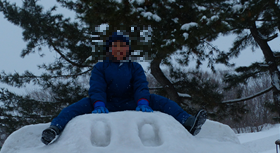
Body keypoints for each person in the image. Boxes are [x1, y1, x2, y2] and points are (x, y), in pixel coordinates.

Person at [41, 32, 207, 145]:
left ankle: (188, 122)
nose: (119, 49)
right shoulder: (101, 67)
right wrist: (98, 103)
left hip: (133, 102)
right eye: (116, 46)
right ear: (110, 49)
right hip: (106, 104)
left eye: (123, 46)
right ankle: (55, 128)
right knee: (77, 107)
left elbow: (141, 85)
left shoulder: (134, 67)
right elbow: (97, 87)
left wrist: (142, 101)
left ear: (127, 49)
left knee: (161, 101)